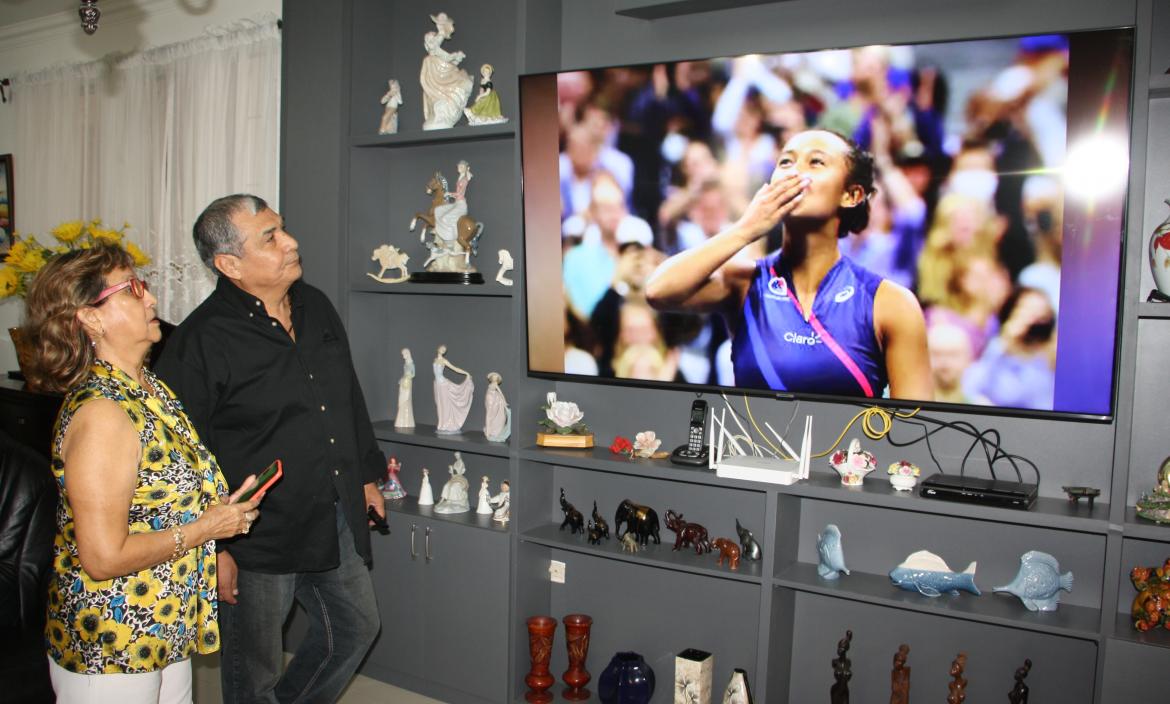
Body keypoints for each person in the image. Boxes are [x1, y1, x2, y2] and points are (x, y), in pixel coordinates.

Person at [154, 195, 386, 704]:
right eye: (270, 237)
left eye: (283, 229)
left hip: (331, 511)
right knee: (252, 671)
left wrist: (365, 476)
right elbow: (179, 458)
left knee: (355, 628)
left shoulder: (315, 305)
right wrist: (214, 548)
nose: (291, 242)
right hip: (254, 535)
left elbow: (345, 396)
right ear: (230, 264)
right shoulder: (201, 341)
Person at [23, 245, 257, 701]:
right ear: (90, 318)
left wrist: (217, 523)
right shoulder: (103, 414)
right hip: (111, 638)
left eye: (144, 287)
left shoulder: (149, 389)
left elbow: (157, 503)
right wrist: (206, 529)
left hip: (160, 623)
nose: (150, 300)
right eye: (132, 290)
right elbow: (103, 557)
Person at [647, 129, 932, 400]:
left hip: (849, 452)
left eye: (816, 162)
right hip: (753, 452)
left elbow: (915, 429)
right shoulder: (743, 282)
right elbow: (658, 290)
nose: (794, 172)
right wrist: (744, 230)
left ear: (851, 195)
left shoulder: (889, 303)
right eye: (786, 161)